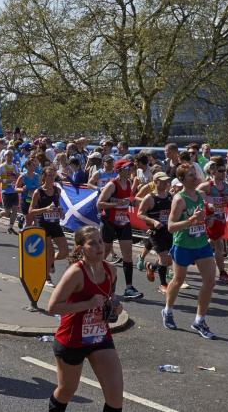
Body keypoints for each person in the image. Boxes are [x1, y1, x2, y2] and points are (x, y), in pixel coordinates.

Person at [46, 225, 124, 412]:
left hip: (100, 337)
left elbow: (109, 297)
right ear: (81, 248)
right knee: (67, 390)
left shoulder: (110, 270)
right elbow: (53, 307)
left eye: (100, 241)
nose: (99, 246)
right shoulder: (76, 273)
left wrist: (115, 307)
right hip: (72, 339)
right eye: (92, 243)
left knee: (116, 395)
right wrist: (87, 305)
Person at [162, 163, 219, 339]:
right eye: (190, 176)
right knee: (178, 280)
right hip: (183, 245)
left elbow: (202, 218)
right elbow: (171, 227)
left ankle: (199, 320)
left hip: (201, 244)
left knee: (210, 281)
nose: (195, 178)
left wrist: (206, 221)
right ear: (182, 180)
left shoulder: (201, 195)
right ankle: (168, 310)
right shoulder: (179, 199)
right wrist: (191, 221)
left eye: (195, 174)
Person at [95, 160, 143, 300]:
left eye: (130, 168)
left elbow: (129, 200)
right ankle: (91, 279)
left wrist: (136, 202)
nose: (130, 170)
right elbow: (99, 204)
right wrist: (117, 203)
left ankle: (129, 288)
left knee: (127, 254)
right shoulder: (112, 185)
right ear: (119, 170)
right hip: (109, 221)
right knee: (105, 252)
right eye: (127, 168)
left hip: (124, 221)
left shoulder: (128, 183)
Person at [29, 166, 69, 287]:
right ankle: (47, 278)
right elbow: (31, 211)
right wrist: (45, 209)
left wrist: (60, 211)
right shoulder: (38, 192)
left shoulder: (57, 190)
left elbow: (58, 206)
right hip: (43, 225)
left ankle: (49, 262)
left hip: (55, 224)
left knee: (65, 252)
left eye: (54, 175)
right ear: (44, 177)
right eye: (49, 175)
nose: (52, 178)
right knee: (50, 252)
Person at [198, 160, 228, 285]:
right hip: (209, 220)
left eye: (225, 170)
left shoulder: (227, 186)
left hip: (221, 219)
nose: (223, 173)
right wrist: (207, 203)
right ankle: (222, 273)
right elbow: (193, 195)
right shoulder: (207, 186)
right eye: (220, 171)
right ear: (212, 172)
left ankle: (195, 254)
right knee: (218, 245)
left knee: (214, 244)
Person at [0, 150, 20, 234]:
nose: (10, 157)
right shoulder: (2, 167)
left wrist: (19, 180)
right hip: (5, 192)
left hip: (14, 191)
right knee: (7, 213)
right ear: (5, 156)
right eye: (8, 155)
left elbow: (18, 177)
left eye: (11, 155)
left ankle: (10, 227)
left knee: (15, 210)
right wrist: (5, 180)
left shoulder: (15, 166)